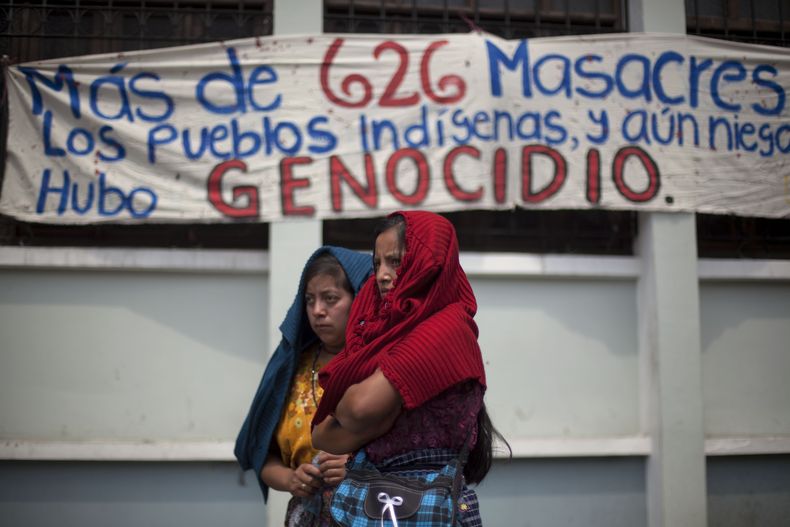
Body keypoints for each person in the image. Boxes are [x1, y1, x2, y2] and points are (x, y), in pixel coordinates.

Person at [312, 211, 505, 526]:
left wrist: (365, 422)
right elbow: (321, 434)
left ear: (429, 262)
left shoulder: (446, 329)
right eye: (377, 264)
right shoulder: (384, 334)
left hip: (426, 509)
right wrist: (374, 423)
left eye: (396, 262)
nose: (383, 275)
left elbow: (356, 409)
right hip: (379, 505)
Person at [235, 246, 372, 527]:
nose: (318, 311)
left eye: (330, 299)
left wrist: (360, 466)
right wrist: (290, 479)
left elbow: (415, 452)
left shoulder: (380, 367)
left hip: (372, 512)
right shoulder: (291, 367)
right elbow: (262, 452)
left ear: (360, 299)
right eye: (310, 300)